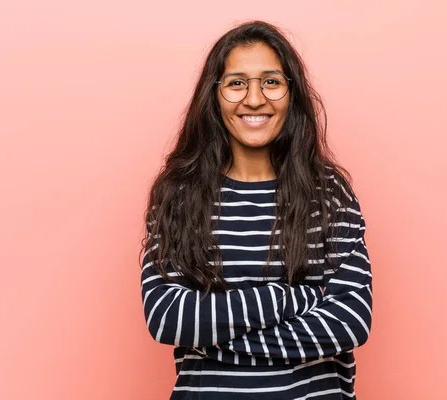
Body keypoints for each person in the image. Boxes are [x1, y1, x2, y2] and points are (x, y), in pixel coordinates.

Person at [140, 20, 372, 400]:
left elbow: (348, 323)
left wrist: (210, 337)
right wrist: (294, 298)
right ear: (213, 96)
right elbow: (169, 318)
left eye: (270, 82)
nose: (253, 99)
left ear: (291, 93)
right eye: (236, 83)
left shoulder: (329, 194)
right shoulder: (178, 195)